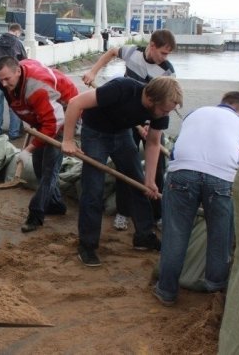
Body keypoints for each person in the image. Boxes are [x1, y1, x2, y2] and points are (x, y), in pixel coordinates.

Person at [61, 76, 183, 267]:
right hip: (95, 133)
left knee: (138, 182)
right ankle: (87, 245)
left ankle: (143, 236)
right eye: (164, 110)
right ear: (151, 99)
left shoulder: (161, 110)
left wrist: (150, 180)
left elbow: (153, 143)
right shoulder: (122, 88)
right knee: (93, 188)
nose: (166, 114)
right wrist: (67, 140)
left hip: (122, 134)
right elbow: (75, 103)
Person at [154, 91, 239, 306]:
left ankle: (166, 291)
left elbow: (175, 151)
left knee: (175, 234)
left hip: (181, 173)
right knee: (221, 236)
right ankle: (215, 288)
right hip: (221, 179)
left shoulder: (195, 113)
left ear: (223, 104)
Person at [83, 29, 177, 232]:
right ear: (151, 46)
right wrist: (93, 71)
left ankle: (156, 214)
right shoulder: (132, 52)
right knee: (126, 168)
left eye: (167, 55)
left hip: (151, 119)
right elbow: (111, 53)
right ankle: (123, 212)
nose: (165, 58)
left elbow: (164, 101)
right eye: (163, 52)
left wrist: (149, 125)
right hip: (127, 117)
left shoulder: (168, 71)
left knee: (157, 165)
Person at [0, 56, 79, 232]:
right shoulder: (16, 76)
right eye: (0, 79)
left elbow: (53, 123)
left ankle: (35, 215)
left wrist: (28, 148)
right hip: (45, 116)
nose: (3, 84)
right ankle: (56, 204)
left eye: (6, 79)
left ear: (18, 71)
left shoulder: (37, 88)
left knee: (50, 168)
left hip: (64, 116)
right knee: (38, 165)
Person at [0, 23, 27, 139]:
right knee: (14, 104)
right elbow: (24, 61)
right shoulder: (17, 43)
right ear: (17, 31)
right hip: (12, 79)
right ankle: (14, 133)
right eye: (19, 34)